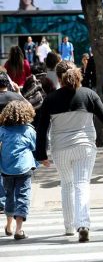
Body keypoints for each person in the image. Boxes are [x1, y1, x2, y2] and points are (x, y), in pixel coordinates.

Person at [35, 62, 103, 242]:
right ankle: (83, 224)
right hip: (84, 147)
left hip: (60, 149)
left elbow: (42, 128)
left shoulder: (51, 98)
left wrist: (41, 154)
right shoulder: (89, 95)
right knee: (82, 183)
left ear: (59, 77)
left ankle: (69, 226)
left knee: (67, 184)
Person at [0, 100, 37, 240]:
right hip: (24, 168)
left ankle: (9, 225)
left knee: (9, 195)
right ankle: (19, 230)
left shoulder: (2, 130)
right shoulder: (29, 130)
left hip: (6, 169)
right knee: (23, 196)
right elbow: (34, 147)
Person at [0, 71, 25, 215]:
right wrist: (18, 92)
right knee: (11, 169)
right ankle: (12, 200)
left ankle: (2, 201)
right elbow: (28, 108)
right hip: (13, 138)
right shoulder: (15, 97)